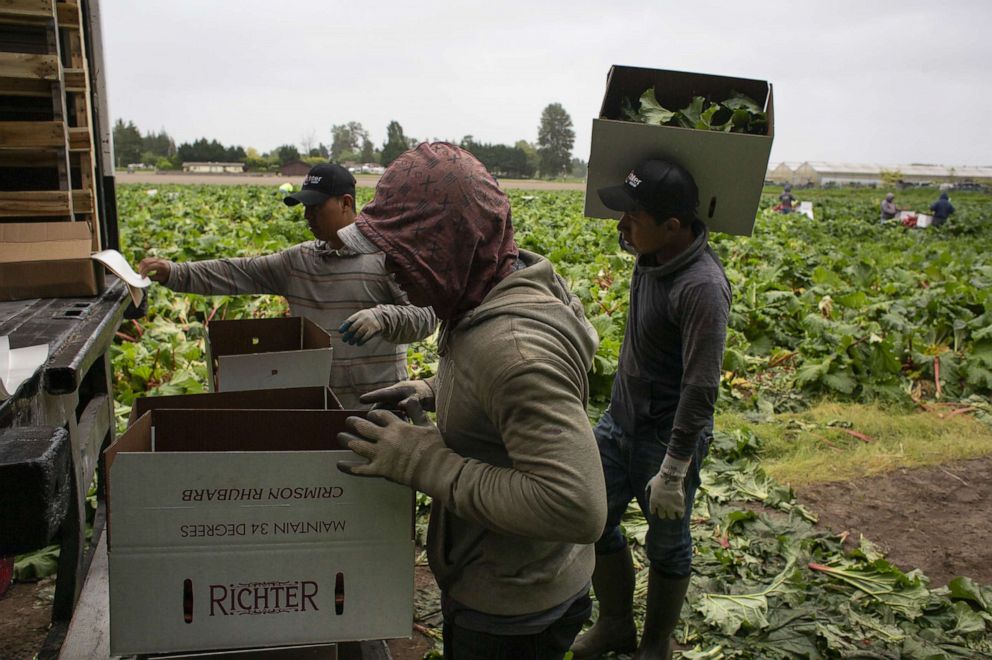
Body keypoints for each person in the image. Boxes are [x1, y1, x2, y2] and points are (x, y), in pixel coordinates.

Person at [334, 142, 608, 660]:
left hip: (515, 608)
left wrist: (419, 457)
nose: (392, 271)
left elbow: (577, 506)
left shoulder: (512, 350)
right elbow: (509, 395)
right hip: (508, 573)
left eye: (404, 252)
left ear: (448, 244)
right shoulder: (485, 289)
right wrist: (434, 391)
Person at [570, 159, 731, 660]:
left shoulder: (701, 287)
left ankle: (655, 644)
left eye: (632, 217)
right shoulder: (651, 257)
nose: (621, 226)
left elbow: (702, 388)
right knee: (593, 520)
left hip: (667, 438)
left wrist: (675, 469)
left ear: (673, 227)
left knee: (668, 543)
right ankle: (616, 623)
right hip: (619, 423)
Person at [137, 163, 437, 407]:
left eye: (316, 207)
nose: (307, 216)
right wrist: (173, 272)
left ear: (346, 203)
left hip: (380, 414)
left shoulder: (387, 257)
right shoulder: (299, 262)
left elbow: (426, 318)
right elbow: (234, 273)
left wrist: (381, 318)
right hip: (316, 410)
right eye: (305, 208)